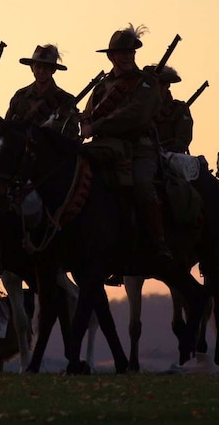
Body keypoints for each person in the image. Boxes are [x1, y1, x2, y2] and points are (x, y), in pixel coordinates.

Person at [80, 24, 172, 262]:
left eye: (131, 52)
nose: (128, 56)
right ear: (111, 56)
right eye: (122, 52)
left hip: (140, 148)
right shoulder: (102, 87)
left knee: (142, 183)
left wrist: (96, 127)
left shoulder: (147, 83)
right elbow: (88, 114)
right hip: (105, 148)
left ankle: (158, 241)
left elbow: (136, 114)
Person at [5, 44, 78, 138]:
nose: (41, 71)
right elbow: (6, 126)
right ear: (32, 68)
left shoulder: (65, 100)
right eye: (38, 66)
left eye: (46, 67)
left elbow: (72, 132)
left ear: (53, 70)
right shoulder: (20, 96)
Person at [149, 65, 193, 154]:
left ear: (166, 86)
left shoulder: (179, 110)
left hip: (169, 157)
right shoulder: (140, 107)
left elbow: (182, 140)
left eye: (160, 84)